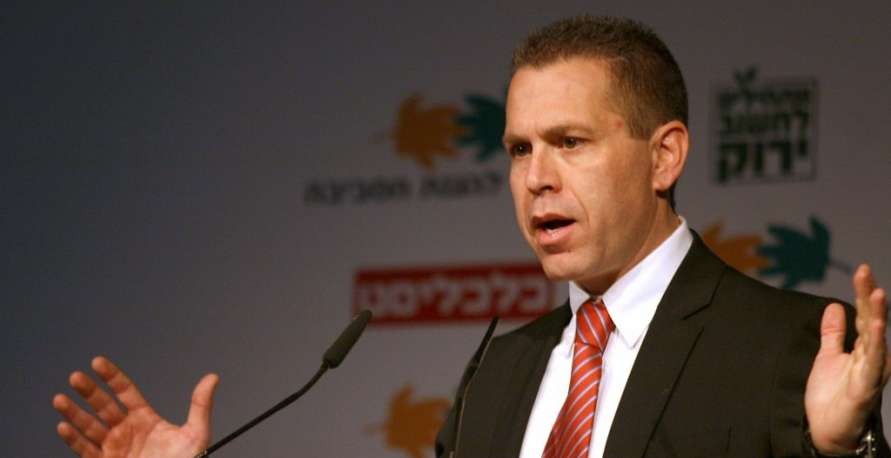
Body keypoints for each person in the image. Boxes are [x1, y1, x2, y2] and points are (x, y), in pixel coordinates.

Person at [52, 15, 889, 458]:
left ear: (663, 155)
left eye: (569, 142)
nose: (535, 178)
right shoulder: (500, 372)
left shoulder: (789, 342)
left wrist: (841, 448)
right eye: (519, 150)